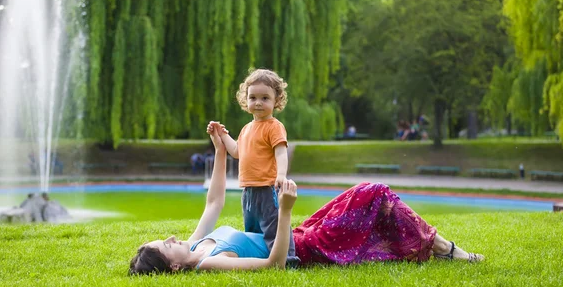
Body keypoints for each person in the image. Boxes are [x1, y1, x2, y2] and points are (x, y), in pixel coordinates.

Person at [129, 123, 484, 275]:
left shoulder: (197, 244)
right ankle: (449, 251)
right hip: (308, 246)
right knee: (374, 193)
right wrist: (284, 211)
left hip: (302, 231)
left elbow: (214, 203)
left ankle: (440, 248)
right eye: (167, 245)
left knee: (370, 196)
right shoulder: (208, 262)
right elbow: (275, 265)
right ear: (174, 266)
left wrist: (221, 148)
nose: (173, 237)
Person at [211, 68, 298, 267]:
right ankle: (262, 257)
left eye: (265, 98)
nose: (258, 102)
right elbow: (235, 151)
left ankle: (288, 259)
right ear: (246, 100)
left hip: (267, 188)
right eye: (253, 97)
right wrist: (222, 135)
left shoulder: (274, 126)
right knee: (253, 228)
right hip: (248, 191)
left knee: (273, 226)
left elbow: (281, 152)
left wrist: (281, 175)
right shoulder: (246, 129)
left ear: (276, 101)